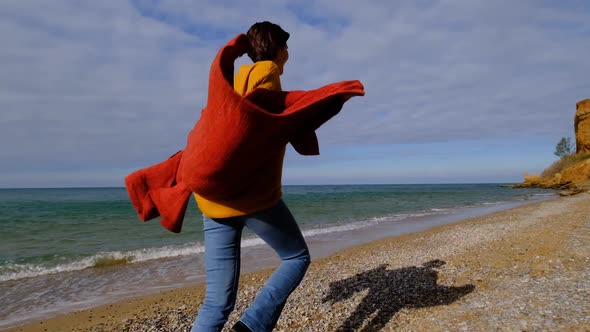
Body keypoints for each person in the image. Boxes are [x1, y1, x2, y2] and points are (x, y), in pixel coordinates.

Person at [191, 21, 310, 332]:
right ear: (279, 50)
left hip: (213, 197)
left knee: (216, 302)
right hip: (252, 197)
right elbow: (255, 132)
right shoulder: (268, 77)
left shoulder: (231, 82)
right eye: (286, 46)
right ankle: (252, 326)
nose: (289, 52)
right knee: (296, 257)